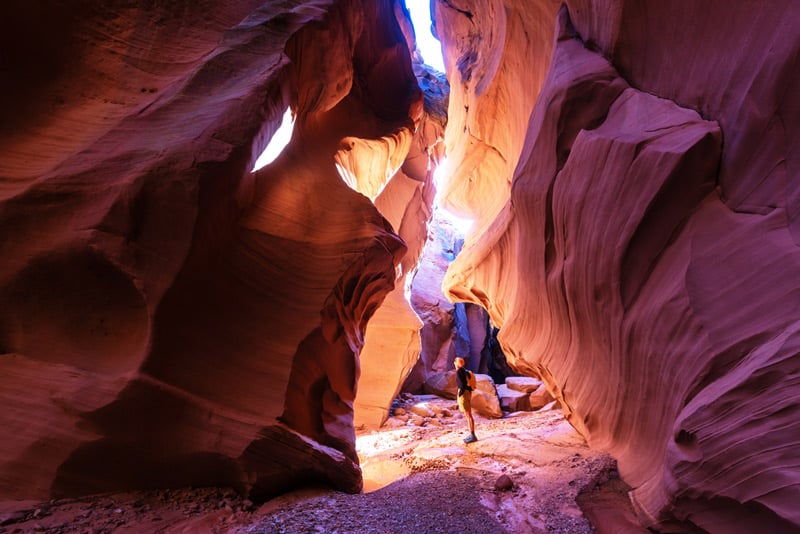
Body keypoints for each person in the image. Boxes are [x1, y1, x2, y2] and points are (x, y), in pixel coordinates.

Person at [454, 357, 477, 443]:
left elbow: (462, 384)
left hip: (464, 393)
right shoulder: (464, 370)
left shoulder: (459, 371)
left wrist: (460, 394)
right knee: (468, 414)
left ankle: (473, 435)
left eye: (455, 362)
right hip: (468, 392)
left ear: (456, 363)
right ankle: (472, 434)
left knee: (468, 415)